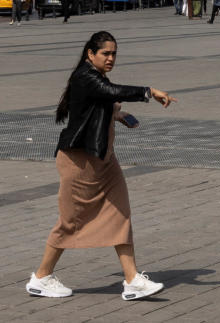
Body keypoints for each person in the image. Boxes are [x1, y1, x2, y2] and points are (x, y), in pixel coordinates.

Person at [27, 31, 176, 301]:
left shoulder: (95, 76)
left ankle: (132, 280)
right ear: (90, 54)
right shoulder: (85, 76)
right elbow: (109, 92)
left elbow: (99, 104)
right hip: (80, 160)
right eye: (105, 53)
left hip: (104, 159)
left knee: (121, 213)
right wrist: (148, 92)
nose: (110, 58)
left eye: (114, 54)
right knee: (71, 221)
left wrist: (117, 115)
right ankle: (41, 277)